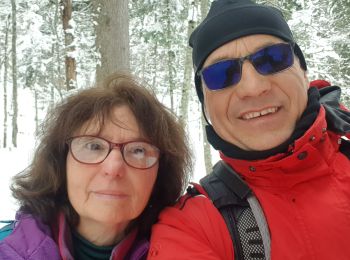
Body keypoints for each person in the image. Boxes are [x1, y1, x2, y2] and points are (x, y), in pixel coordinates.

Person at [148, 0, 350, 259]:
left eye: (273, 59)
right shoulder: (191, 227)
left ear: (303, 72)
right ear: (205, 106)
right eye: (222, 74)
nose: (253, 87)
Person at [0, 72, 191, 260]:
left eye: (138, 150)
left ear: (160, 174)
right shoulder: (8, 249)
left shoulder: (186, 249)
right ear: (60, 163)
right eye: (94, 146)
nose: (113, 168)